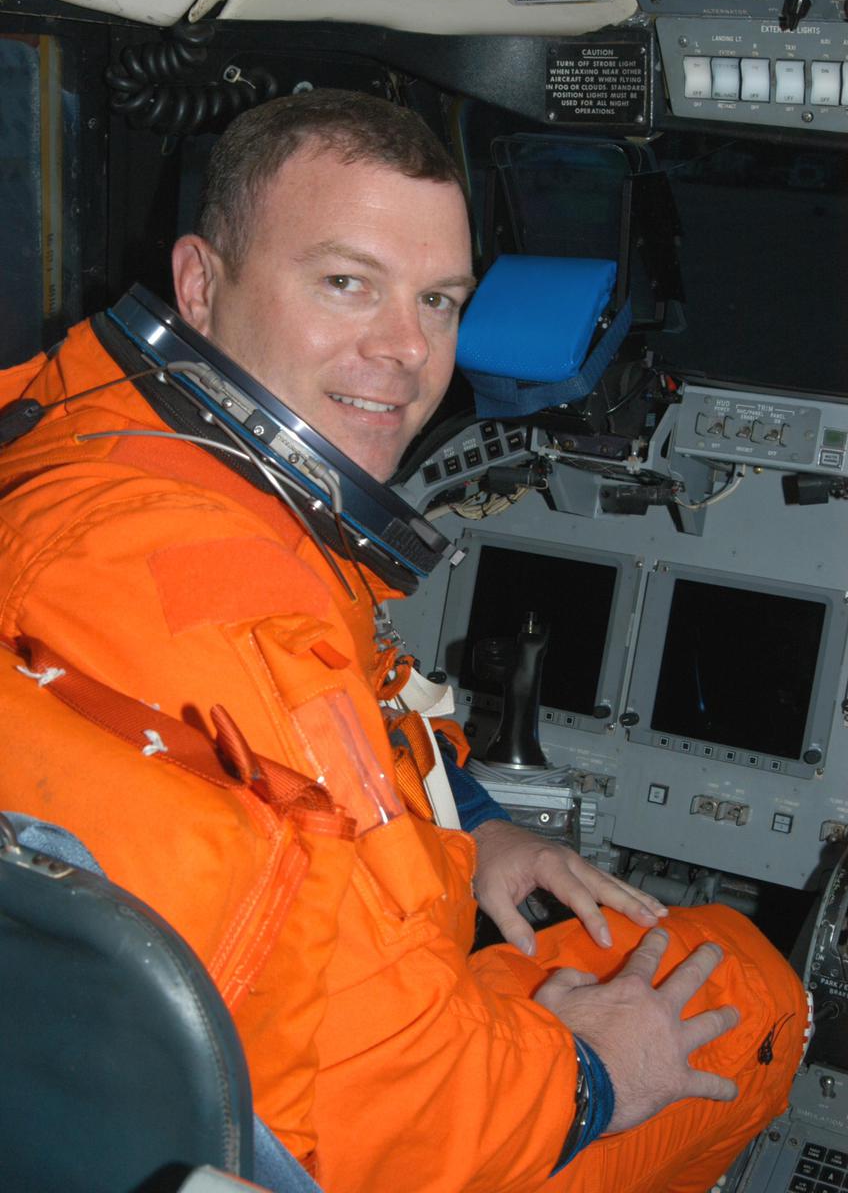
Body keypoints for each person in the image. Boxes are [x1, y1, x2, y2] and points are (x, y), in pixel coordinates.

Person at [0, 89, 807, 1193]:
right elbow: (397, 1113)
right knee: (740, 993)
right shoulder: (235, 608)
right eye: (346, 282)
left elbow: (328, 757)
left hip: (94, 1095)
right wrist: (593, 1073)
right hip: (298, 1148)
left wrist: (473, 828)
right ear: (199, 283)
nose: (404, 350)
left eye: (438, 299)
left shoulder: (93, 454)